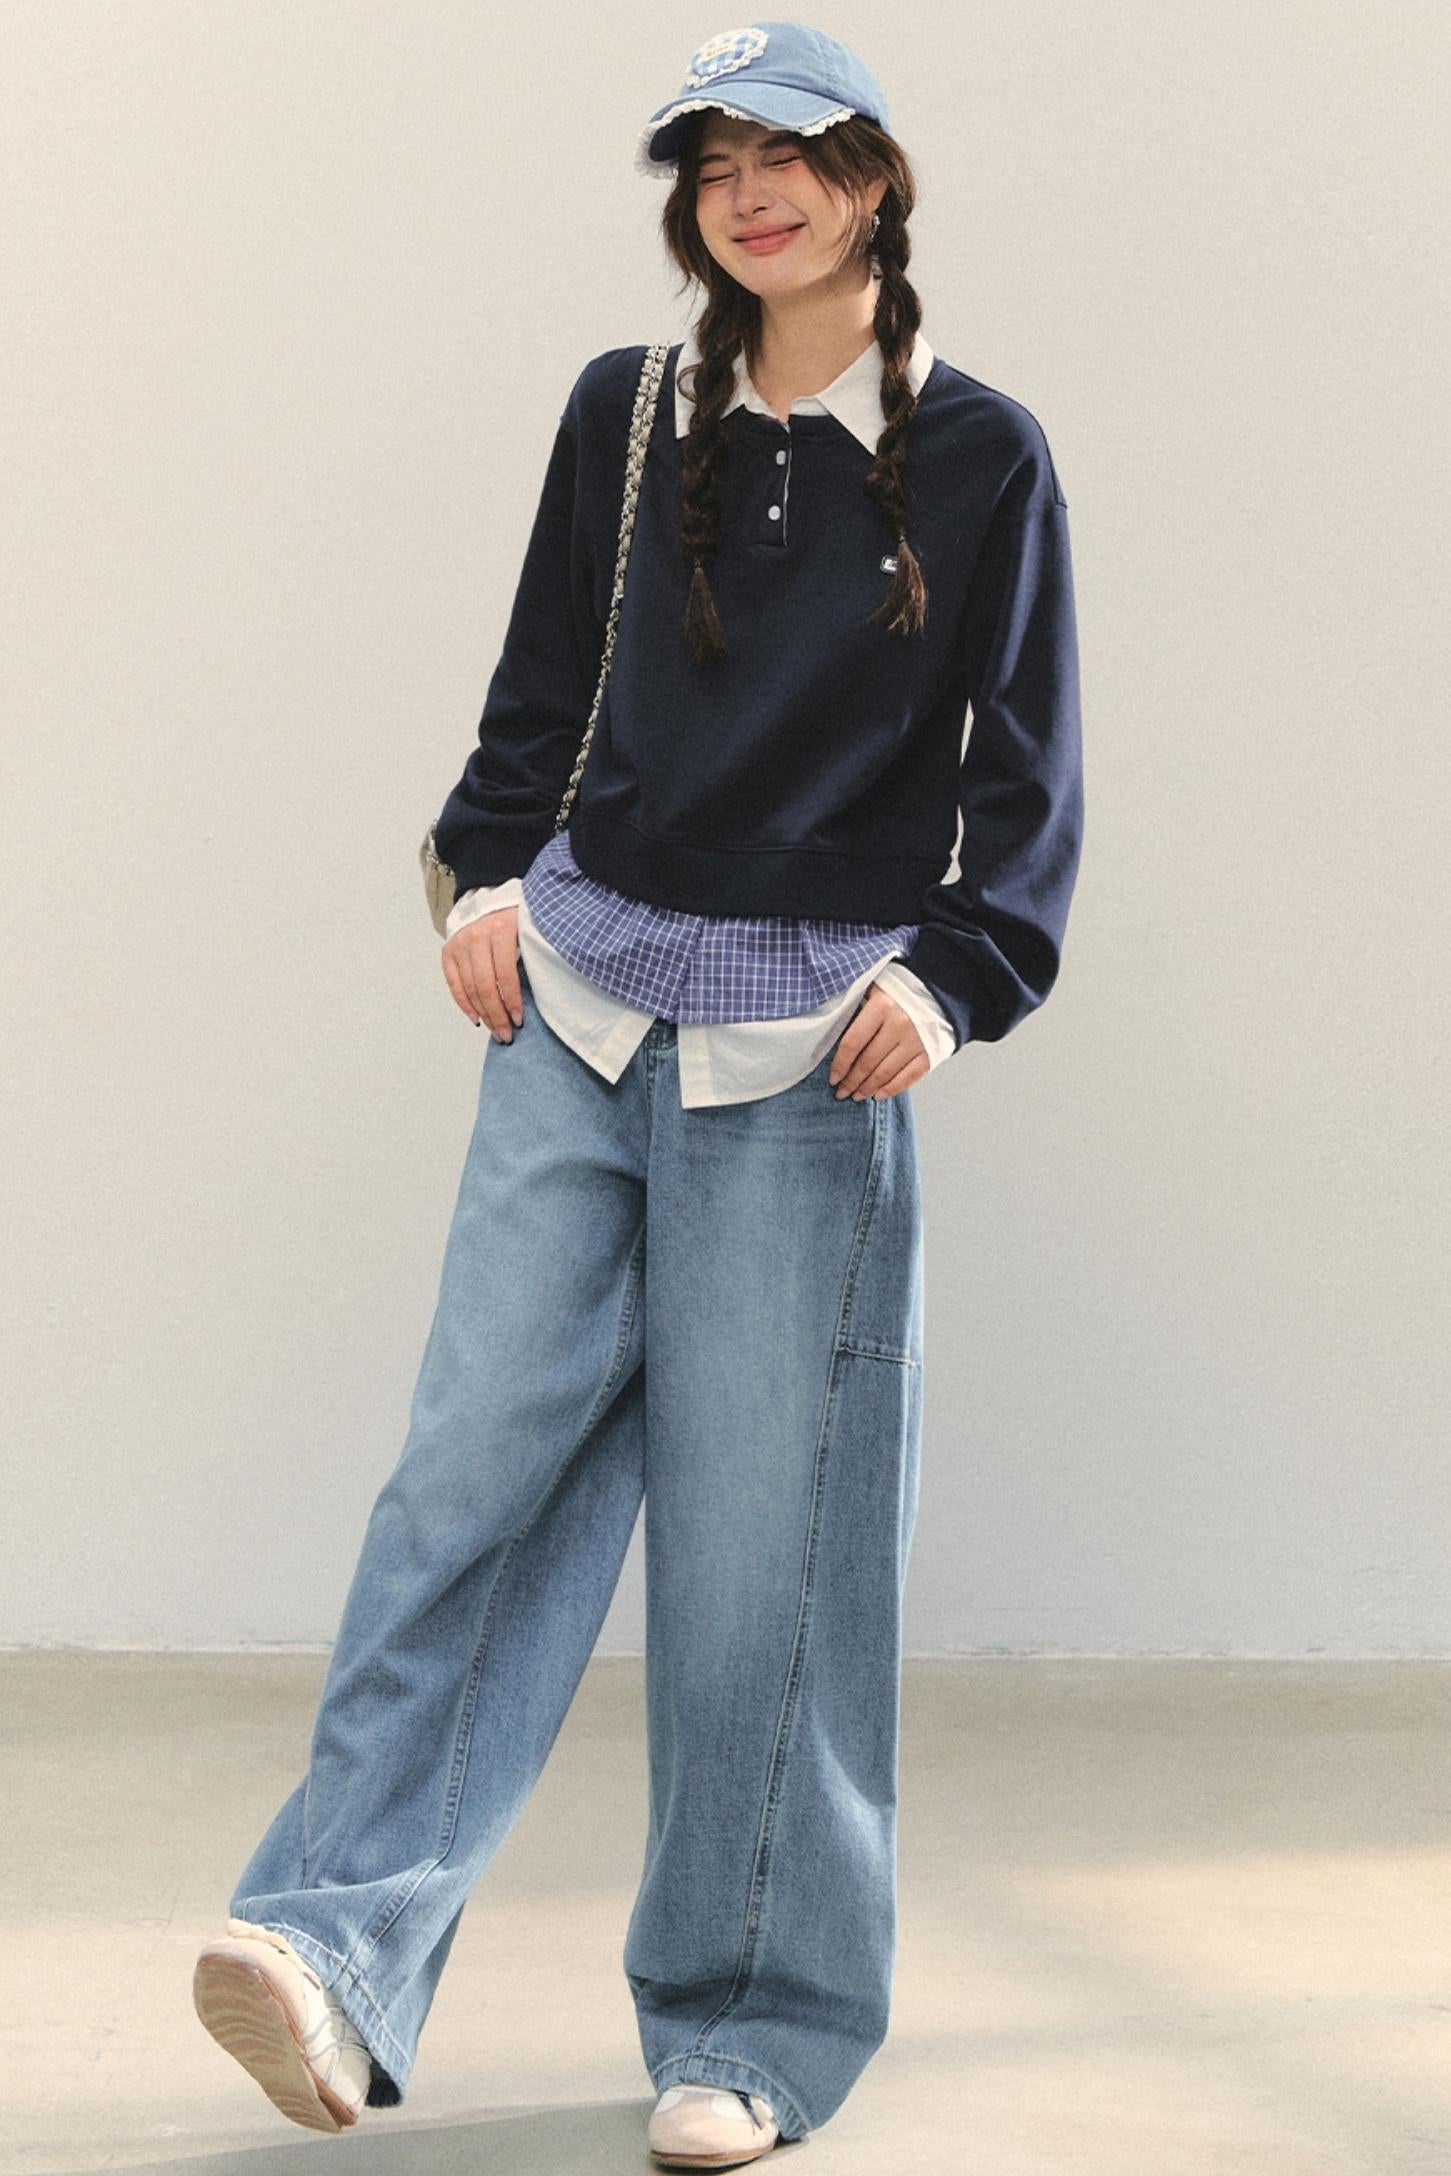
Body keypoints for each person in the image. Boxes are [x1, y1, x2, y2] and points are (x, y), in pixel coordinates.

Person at [191, 21, 1084, 2170]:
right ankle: (329, 1954)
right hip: (579, 1021)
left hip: (804, 1057)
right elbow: (540, 684)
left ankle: (752, 2026)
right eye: (711, 163)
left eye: (791, 155)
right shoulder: (629, 409)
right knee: (463, 1490)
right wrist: (485, 878)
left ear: (877, 183)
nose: (748, 194)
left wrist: (953, 981)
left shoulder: (982, 454)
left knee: (771, 1566)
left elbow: (1029, 776)